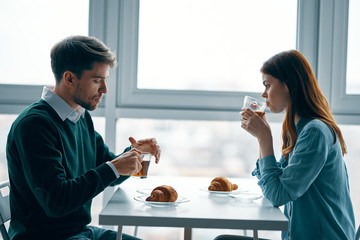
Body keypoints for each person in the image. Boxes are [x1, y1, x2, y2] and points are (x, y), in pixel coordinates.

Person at [6, 35, 161, 240]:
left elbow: (107, 168)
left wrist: (133, 154)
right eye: (97, 80)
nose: (104, 89)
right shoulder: (35, 125)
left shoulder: (79, 116)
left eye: (105, 80)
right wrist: (114, 167)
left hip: (79, 232)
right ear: (70, 78)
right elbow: (57, 202)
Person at [215, 50, 355, 240]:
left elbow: (278, 194)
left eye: (268, 85)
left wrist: (265, 139)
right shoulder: (298, 130)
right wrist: (261, 138)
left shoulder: (315, 132)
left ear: (288, 85)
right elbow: (274, 183)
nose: (264, 94)